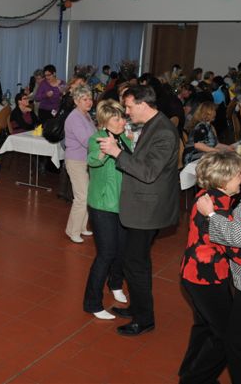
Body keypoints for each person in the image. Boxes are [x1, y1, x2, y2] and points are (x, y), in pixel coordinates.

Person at [179, 151, 241, 384]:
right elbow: (236, 247)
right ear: (223, 180)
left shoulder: (209, 195)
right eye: (237, 175)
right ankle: (196, 379)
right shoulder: (216, 208)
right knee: (224, 336)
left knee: (204, 327)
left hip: (193, 274)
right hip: (206, 279)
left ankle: (189, 371)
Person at [98, 85, 179, 336]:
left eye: (130, 107)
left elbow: (147, 172)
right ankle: (137, 307)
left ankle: (144, 319)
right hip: (143, 205)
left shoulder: (164, 131)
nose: (127, 112)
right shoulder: (155, 125)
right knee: (135, 262)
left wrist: (116, 153)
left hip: (148, 209)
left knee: (136, 265)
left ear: (143, 104)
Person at [83, 100, 131, 320]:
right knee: (106, 253)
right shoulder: (97, 139)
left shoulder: (123, 137)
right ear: (105, 122)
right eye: (117, 118)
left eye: (122, 117)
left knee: (122, 249)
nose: (122, 121)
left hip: (121, 204)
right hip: (102, 205)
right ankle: (92, 303)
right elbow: (92, 160)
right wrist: (104, 152)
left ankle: (115, 284)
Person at [63, 84, 96, 244]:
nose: (89, 102)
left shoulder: (86, 115)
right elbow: (86, 141)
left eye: (90, 98)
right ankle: (72, 231)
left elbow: (94, 135)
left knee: (87, 195)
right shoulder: (75, 117)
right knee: (81, 197)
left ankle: (82, 227)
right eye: (85, 99)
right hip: (76, 161)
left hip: (85, 160)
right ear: (76, 101)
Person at [183, 101, 233, 165]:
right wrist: (218, 151)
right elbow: (198, 145)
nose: (215, 112)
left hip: (202, 155)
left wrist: (228, 148)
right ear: (208, 113)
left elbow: (215, 144)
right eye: (214, 110)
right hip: (193, 157)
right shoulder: (201, 126)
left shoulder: (207, 125)